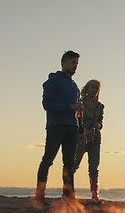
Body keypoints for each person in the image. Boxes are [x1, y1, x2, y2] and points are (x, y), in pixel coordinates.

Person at [35, 50, 83, 207]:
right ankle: (39, 198)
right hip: (56, 126)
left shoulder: (75, 86)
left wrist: (81, 129)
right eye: (72, 63)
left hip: (72, 128)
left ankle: (70, 198)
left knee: (69, 164)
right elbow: (47, 105)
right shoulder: (53, 81)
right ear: (64, 63)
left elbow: (78, 111)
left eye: (76, 63)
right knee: (47, 160)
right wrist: (70, 106)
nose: (75, 66)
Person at [74, 79, 104, 205]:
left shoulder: (100, 106)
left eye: (97, 88)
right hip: (81, 137)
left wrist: (98, 125)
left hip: (95, 139)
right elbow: (76, 118)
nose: (94, 90)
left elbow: (101, 122)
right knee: (73, 165)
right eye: (92, 87)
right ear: (87, 89)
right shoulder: (80, 103)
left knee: (94, 167)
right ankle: (67, 193)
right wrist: (84, 130)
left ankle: (94, 196)